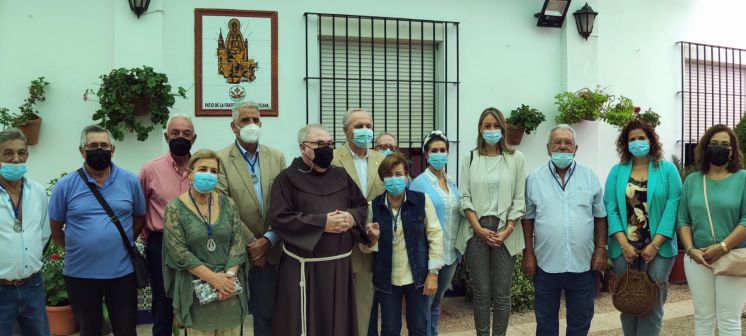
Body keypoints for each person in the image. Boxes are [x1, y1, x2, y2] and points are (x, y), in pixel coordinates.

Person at [269, 124, 376, 336]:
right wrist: (322, 223)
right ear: (303, 148)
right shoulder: (287, 178)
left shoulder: (340, 175)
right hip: (304, 268)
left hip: (339, 267)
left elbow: (361, 206)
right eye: (320, 144)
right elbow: (280, 218)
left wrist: (351, 218)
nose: (326, 148)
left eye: (329, 144)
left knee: (338, 323)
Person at [49, 125, 146, 336]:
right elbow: (56, 226)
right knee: (89, 330)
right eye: (93, 146)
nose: (99, 149)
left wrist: (121, 242)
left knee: (126, 330)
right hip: (80, 274)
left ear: (113, 149)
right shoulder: (65, 185)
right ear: (82, 151)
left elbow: (139, 217)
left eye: (104, 145)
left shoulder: (130, 181)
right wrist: (77, 247)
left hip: (122, 273)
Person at [522, 125, 608, 336]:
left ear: (575, 148)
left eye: (568, 142)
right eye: (557, 142)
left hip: (582, 265)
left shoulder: (589, 177)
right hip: (545, 265)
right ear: (548, 148)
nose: (562, 146)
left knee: (581, 321)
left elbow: (600, 216)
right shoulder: (534, 179)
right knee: (545, 322)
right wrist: (529, 253)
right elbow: (528, 219)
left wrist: (600, 249)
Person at [604, 119, 682, 336]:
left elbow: (673, 206)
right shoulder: (617, 171)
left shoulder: (667, 170)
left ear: (651, 141)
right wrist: (623, 243)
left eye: (641, 138)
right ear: (625, 144)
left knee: (652, 303)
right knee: (627, 300)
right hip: (624, 250)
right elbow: (610, 207)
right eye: (632, 139)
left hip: (658, 249)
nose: (637, 142)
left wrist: (655, 245)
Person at [216, 101, 286, 336]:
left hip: (272, 247)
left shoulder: (276, 157)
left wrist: (267, 240)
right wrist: (253, 243)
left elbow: (285, 202)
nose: (252, 125)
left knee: (266, 314)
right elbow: (225, 205)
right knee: (233, 315)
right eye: (245, 120)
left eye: (256, 120)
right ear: (233, 126)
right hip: (236, 249)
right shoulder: (221, 159)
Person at [455, 107, 526, 336]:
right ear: (480, 129)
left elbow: (519, 198)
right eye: (487, 126)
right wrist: (478, 228)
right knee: (482, 292)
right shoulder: (471, 158)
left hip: (506, 229)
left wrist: (508, 230)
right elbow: (464, 197)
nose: (492, 130)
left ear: (503, 129)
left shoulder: (516, 158)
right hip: (477, 228)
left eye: (496, 126)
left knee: (502, 292)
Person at [162, 149, 248, 335]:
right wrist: (214, 279)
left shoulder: (229, 204)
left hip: (229, 291)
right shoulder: (174, 208)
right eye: (203, 169)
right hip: (196, 292)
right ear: (190, 173)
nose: (208, 174)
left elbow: (237, 243)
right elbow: (179, 253)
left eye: (213, 171)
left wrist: (229, 278)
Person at [362, 152, 442, 336]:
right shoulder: (373, 207)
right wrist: (372, 239)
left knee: (419, 327)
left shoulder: (422, 201)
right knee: (390, 328)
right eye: (389, 175)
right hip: (387, 279)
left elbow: (435, 236)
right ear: (382, 179)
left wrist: (433, 274)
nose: (394, 179)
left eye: (399, 174)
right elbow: (364, 248)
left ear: (407, 177)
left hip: (418, 278)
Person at [677, 124, 746, 336]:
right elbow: (683, 220)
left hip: (732, 255)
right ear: (705, 147)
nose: (719, 148)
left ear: (733, 150)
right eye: (714, 144)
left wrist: (722, 246)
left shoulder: (743, 178)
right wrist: (690, 250)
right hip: (698, 259)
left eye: (725, 145)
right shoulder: (692, 181)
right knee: (703, 318)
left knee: (729, 319)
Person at [139, 115, 196, 336]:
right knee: (162, 303)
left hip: (197, 242)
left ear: (194, 138)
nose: (181, 137)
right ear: (166, 136)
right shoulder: (150, 169)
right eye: (175, 133)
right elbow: (140, 208)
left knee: (198, 298)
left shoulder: (203, 168)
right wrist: (150, 240)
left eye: (186, 133)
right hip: (161, 244)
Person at [331, 108, 384, 336]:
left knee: (364, 306)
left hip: (371, 245)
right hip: (338, 245)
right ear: (346, 131)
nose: (365, 131)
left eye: (368, 126)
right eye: (359, 126)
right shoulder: (332, 159)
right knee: (336, 307)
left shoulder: (383, 161)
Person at [409, 130, 462, 336]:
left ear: (448, 153)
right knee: (424, 303)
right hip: (430, 255)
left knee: (437, 303)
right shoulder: (419, 184)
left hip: (450, 254)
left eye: (443, 150)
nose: (439, 154)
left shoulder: (451, 182)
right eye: (434, 150)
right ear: (426, 154)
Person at [0, 128, 50, 336]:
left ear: (27, 155)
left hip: (33, 287)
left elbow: (44, 233)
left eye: (21, 153)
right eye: (8, 153)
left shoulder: (37, 192)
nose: (15, 159)